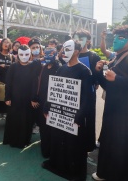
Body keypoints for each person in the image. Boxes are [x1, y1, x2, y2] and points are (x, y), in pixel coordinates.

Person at [92, 25, 128, 181]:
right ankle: (106, 172)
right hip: (113, 108)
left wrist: (118, 78)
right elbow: (109, 85)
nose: (115, 39)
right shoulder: (116, 57)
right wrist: (99, 72)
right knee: (110, 141)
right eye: (115, 37)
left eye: (120, 38)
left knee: (125, 144)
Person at [41, 39, 93, 180]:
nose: (63, 52)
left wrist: (80, 115)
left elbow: (88, 97)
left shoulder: (84, 71)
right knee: (58, 139)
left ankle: (73, 171)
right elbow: (53, 90)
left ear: (76, 51)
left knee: (73, 145)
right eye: (63, 49)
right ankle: (57, 165)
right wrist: (47, 106)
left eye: (68, 49)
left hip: (74, 116)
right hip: (59, 114)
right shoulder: (62, 68)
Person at [3, 45, 40, 148]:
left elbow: (35, 83)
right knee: (14, 119)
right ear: (18, 55)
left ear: (30, 54)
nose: (24, 57)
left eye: (27, 54)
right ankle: (12, 140)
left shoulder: (34, 66)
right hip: (15, 98)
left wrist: (33, 98)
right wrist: (7, 97)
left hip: (28, 99)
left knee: (26, 120)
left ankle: (23, 141)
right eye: (21, 54)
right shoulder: (13, 66)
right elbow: (8, 83)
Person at [73, 29, 101, 152]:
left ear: (88, 41)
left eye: (80, 39)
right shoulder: (72, 54)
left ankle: (88, 143)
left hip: (88, 93)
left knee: (88, 118)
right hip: (73, 92)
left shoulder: (93, 56)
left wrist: (96, 80)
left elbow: (98, 77)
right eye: (75, 38)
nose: (77, 41)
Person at [31, 47, 60, 158]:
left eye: (51, 54)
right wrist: (35, 97)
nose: (48, 57)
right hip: (42, 100)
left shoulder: (59, 68)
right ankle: (45, 147)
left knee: (52, 127)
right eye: (46, 54)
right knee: (43, 126)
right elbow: (37, 83)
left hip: (53, 102)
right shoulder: (42, 68)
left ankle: (52, 149)